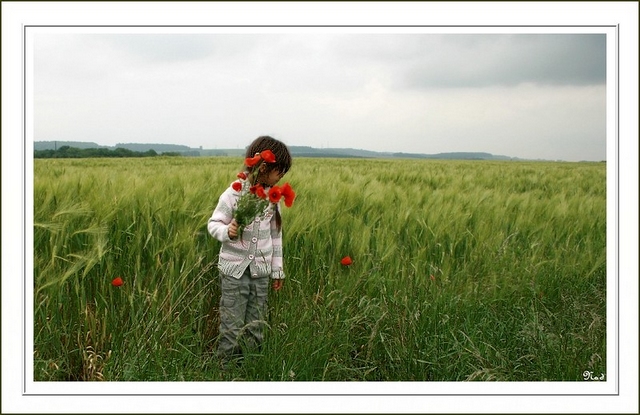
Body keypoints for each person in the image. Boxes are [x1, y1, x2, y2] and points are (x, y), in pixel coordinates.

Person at [207, 136, 293, 368]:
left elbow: (276, 238)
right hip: (233, 272)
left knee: (256, 324)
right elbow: (213, 224)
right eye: (279, 170)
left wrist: (277, 271)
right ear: (263, 166)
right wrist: (228, 231)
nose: (282, 176)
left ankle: (250, 367)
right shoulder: (233, 194)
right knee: (232, 323)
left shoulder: (272, 199)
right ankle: (225, 369)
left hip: (260, 273)